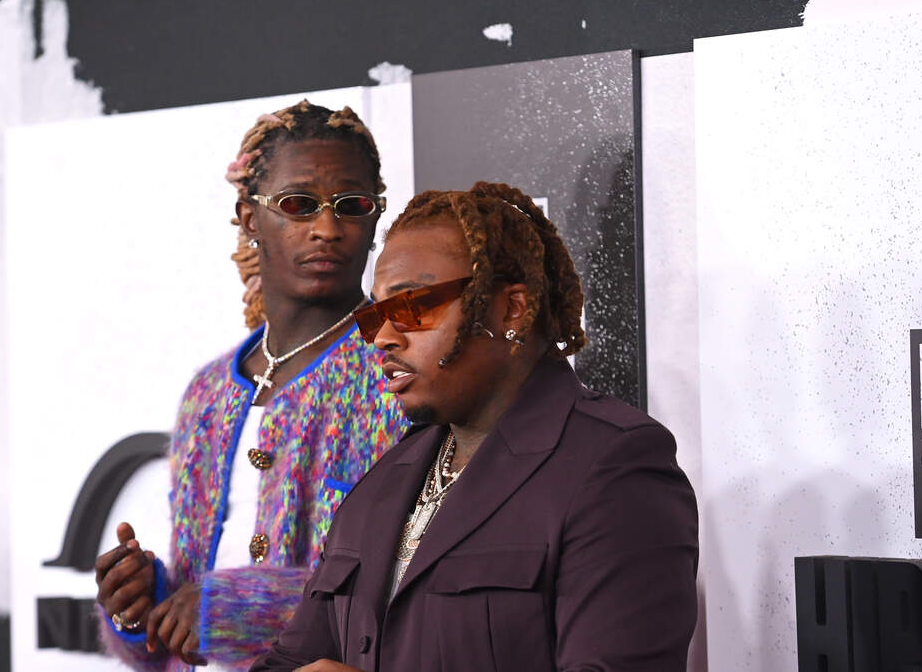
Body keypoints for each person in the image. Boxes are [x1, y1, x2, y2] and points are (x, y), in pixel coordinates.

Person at [251, 182, 699, 672]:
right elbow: (287, 661)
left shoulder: (614, 467)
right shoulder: (385, 478)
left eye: (410, 306)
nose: (383, 337)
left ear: (512, 309)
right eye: (375, 314)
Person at [93, 101, 410, 671]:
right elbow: (179, 631)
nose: (327, 228)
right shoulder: (208, 393)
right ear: (249, 217)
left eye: (353, 205)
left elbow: (422, 585)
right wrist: (141, 607)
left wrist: (232, 610)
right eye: (298, 204)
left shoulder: (400, 374)